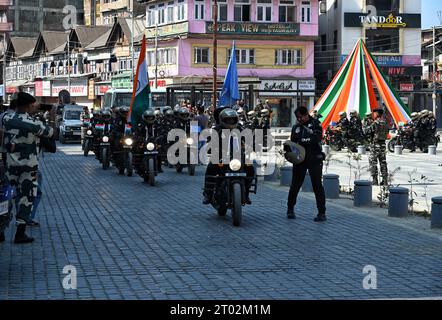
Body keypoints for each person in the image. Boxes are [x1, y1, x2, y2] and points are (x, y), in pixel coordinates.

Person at [3, 92, 54, 244]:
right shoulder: (34, 123)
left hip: (9, 166)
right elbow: (51, 133)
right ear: (28, 106)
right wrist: (51, 117)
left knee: (6, 198)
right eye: (32, 106)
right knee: (26, 199)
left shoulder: (6, 118)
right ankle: (20, 233)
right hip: (28, 169)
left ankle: (0, 231)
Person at [203, 108, 255, 205]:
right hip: (221, 156)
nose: (231, 121)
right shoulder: (216, 130)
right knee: (210, 168)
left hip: (238, 157)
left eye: (232, 119)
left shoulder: (240, 129)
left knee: (250, 168)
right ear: (222, 120)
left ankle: (246, 193)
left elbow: (248, 140)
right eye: (228, 120)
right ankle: (208, 194)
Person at [287, 106, 326, 222]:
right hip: (300, 160)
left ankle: (321, 212)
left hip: (314, 159)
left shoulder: (315, 124)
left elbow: (316, 138)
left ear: (306, 115)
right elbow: (293, 142)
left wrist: (302, 141)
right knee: (295, 185)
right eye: (297, 117)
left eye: (300, 117)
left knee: (317, 186)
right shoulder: (296, 127)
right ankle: (290, 209)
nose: (299, 119)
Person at [364, 108, 389, 186]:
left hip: (375, 145)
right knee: (383, 163)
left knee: (373, 163)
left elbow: (366, 131)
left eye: (374, 113)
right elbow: (387, 132)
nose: (373, 115)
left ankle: (375, 181)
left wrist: (365, 124)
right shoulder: (385, 123)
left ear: (377, 114)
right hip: (383, 145)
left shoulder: (375, 123)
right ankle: (385, 181)